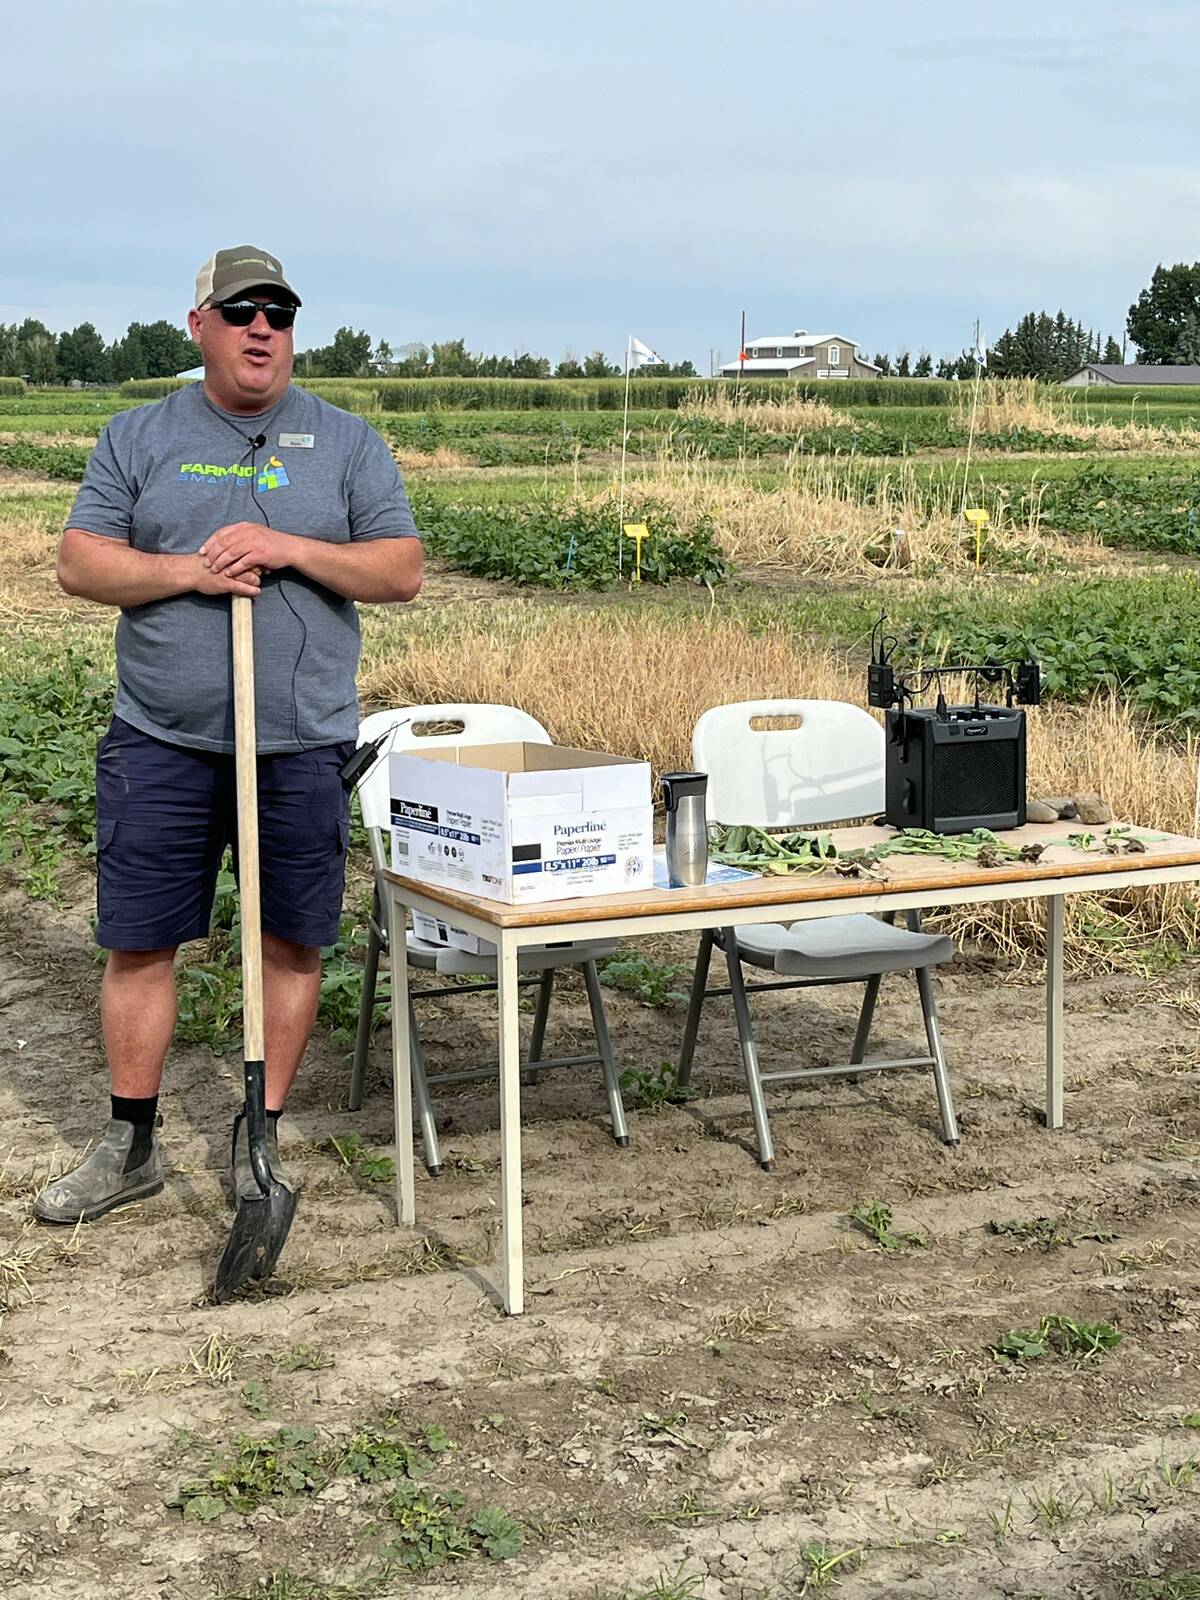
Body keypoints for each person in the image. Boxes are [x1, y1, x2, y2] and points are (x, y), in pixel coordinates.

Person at [35, 245, 422, 1225]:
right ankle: (130, 1141)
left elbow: (400, 568)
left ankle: (261, 1135)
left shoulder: (346, 442)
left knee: (292, 944)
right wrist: (190, 573)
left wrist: (288, 546)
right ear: (200, 322)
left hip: (300, 741)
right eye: (242, 309)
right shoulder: (141, 435)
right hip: (160, 738)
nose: (263, 328)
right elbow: (81, 562)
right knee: (139, 944)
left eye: (280, 313)